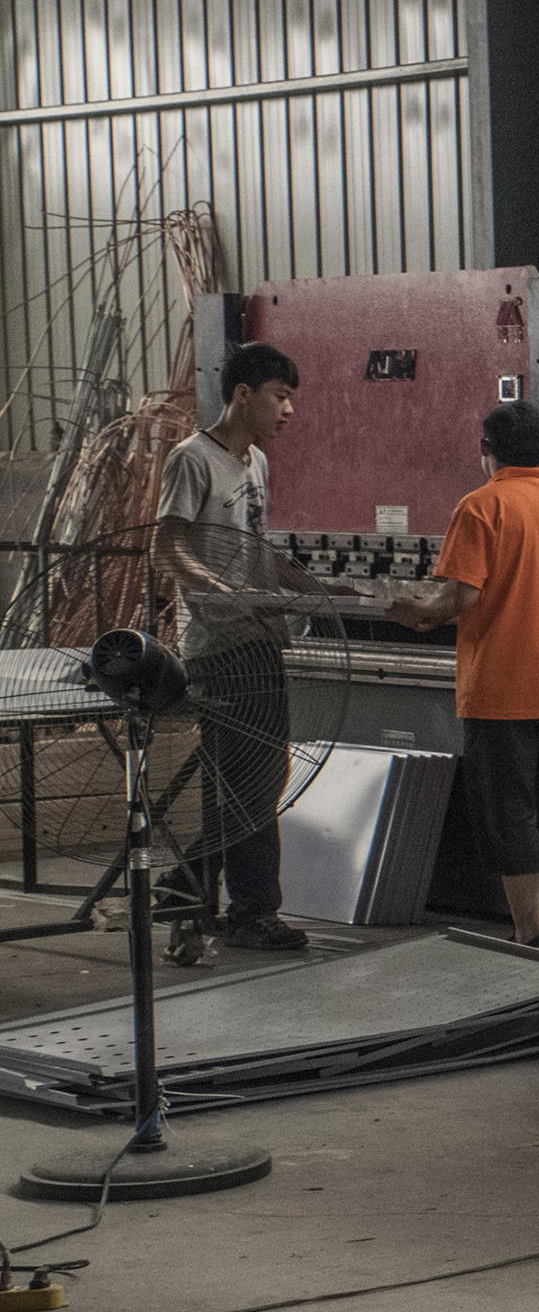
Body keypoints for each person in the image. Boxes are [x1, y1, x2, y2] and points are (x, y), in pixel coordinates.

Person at [389, 402, 539, 949]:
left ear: (485, 450)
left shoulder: (481, 506)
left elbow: (464, 594)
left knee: (510, 814)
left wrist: (419, 611)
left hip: (504, 685)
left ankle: (527, 934)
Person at [152, 340, 322, 964]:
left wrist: (320, 589)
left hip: (259, 640)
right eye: (280, 398)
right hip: (217, 646)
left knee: (258, 778)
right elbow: (168, 549)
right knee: (244, 781)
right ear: (244, 395)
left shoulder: (256, 464)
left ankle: (210, 898)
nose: (288, 412)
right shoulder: (192, 459)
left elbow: (261, 551)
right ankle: (227, 903)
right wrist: (222, 591)